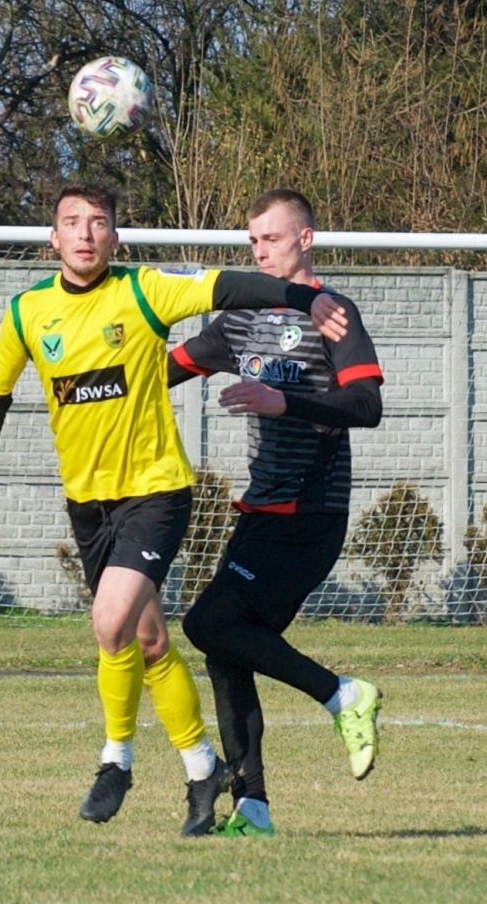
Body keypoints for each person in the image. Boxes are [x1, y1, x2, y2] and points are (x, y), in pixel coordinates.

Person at [0, 181, 352, 836]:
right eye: (72, 222)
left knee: (110, 621)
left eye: (98, 222)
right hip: (88, 503)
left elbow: (229, 287)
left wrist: (306, 296)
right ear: (53, 238)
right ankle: (203, 768)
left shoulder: (144, 291)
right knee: (147, 640)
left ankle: (116, 759)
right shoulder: (27, 311)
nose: (85, 233)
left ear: (115, 236)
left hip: (156, 492)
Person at [173, 188, 385, 838]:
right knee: (225, 647)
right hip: (261, 511)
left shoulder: (333, 312)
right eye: (253, 241)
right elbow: (167, 369)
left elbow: (367, 406)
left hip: (310, 514)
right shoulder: (239, 319)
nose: (260, 251)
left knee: (208, 622)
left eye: (271, 238)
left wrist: (282, 401)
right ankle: (253, 807)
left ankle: (342, 694)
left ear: (305, 239)